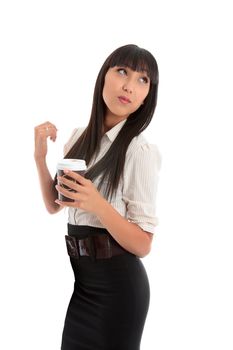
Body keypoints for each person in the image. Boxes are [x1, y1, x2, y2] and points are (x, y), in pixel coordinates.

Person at [34, 44, 161, 350]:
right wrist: (40, 158)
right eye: (122, 72)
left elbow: (143, 244)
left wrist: (97, 205)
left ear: (147, 97)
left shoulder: (139, 151)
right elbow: (55, 205)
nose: (129, 86)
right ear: (104, 76)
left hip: (120, 292)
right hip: (84, 288)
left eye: (143, 80)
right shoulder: (78, 139)